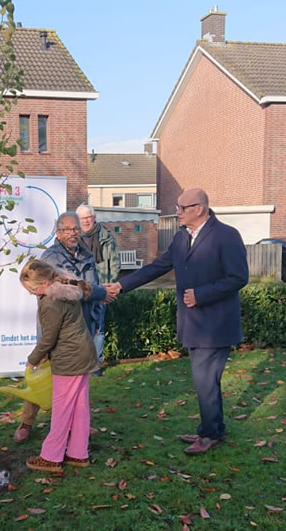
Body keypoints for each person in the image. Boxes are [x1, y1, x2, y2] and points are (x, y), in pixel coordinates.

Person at [106, 188, 248, 455]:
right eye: (177, 206)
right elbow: (157, 267)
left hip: (215, 326)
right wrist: (121, 286)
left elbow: (239, 277)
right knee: (205, 381)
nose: (177, 212)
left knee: (205, 381)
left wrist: (202, 295)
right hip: (193, 324)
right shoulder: (182, 237)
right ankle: (212, 429)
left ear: (200, 208)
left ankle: (209, 435)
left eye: (182, 208)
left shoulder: (227, 235)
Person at [13, 212, 111, 443]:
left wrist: (96, 320)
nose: (73, 233)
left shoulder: (87, 255)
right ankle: (26, 422)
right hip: (54, 331)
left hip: (79, 328)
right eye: (67, 229)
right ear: (58, 233)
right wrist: (103, 292)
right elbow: (76, 291)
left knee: (76, 384)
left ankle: (79, 427)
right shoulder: (51, 258)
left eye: (76, 228)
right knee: (41, 378)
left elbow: (91, 289)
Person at [20, 259, 99, 474]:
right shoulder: (66, 290)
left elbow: (48, 339)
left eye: (33, 289)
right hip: (82, 353)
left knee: (62, 409)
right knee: (80, 407)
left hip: (69, 358)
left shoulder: (50, 302)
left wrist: (33, 358)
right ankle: (77, 453)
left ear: (44, 283)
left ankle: (51, 457)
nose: (31, 293)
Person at [76, 203, 121, 366]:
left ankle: (96, 363)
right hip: (80, 289)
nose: (86, 221)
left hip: (101, 288)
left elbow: (115, 263)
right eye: (83, 218)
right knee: (79, 327)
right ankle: (82, 362)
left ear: (94, 218)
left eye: (89, 217)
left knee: (98, 328)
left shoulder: (106, 236)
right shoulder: (74, 238)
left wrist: (109, 286)